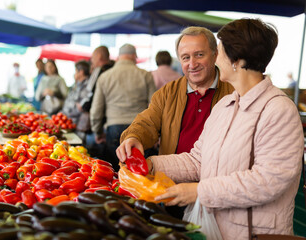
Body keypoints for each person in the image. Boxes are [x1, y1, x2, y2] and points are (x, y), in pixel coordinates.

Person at [134, 19, 303, 240]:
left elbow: (268, 180)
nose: (216, 58)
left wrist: (198, 191)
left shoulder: (278, 109)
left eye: (220, 51)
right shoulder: (226, 105)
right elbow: (198, 160)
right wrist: (150, 165)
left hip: (253, 233)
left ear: (238, 60)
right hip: (213, 228)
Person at [117, 26, 234, 160]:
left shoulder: (233, 91)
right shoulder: (167, 93)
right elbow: (147, 122)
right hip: (171, 178)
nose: (192, 64)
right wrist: (134, 136)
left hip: (217, 177)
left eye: (199, 55)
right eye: (185, 57)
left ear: (215, 55)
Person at [90, 43, 156, 170]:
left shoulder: (105, 76)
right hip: (139, 128)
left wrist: (97, 132)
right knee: (139, 171)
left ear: (119, 57)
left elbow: (96, 109)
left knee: (115, 171)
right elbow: (154, 106)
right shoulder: (145, 75)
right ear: (133, 56)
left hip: (113, 128)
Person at [81, 46, 114, 159]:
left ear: (99, 56)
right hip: (113, 120)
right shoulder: (114, 70)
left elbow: (91, 98)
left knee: (100, 161)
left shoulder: (99, 71)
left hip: (101, 124)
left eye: (93, 57)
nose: (92, 60)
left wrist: (97, 130)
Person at [62, 60, 90, 142]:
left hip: (79, 125)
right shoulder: (76, 85)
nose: (74, 74)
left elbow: (81, 107)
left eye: (75, 71)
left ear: (81, 72)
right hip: (69, 123)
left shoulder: (87, 86)